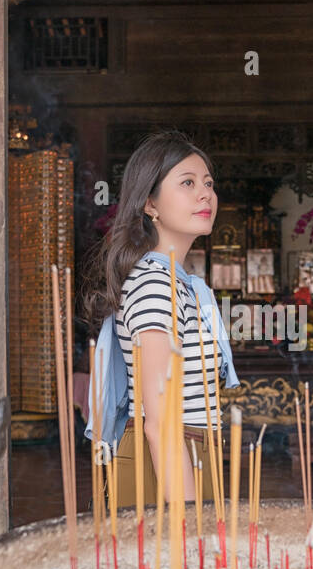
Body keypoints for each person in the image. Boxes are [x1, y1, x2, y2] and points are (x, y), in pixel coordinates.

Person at [80, 130, 240, 506]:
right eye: (187, 182)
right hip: (166, 461)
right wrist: (184, 518)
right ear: (150, 203)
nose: (206, 194)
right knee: (172, 563)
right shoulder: (156, 284)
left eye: (209, 183)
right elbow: (161, 422)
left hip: (188, 454)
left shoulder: (177, 282)